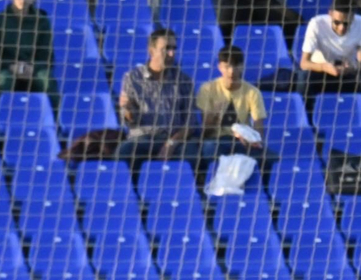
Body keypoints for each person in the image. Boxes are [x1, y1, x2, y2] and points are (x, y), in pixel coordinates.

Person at [115, 29, 194, 164]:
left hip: (174, 138)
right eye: (166, 49)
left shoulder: (183, 80)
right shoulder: (133, 78)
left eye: (174, 48)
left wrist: (171, 143)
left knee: (192, 152)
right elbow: (129, 121)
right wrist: (127, 109)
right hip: (143, 138)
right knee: (125, 151)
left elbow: (190, 124)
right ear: (151, 51)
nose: (172, 53)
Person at [188, 45, 270, 172]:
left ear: (242, 66)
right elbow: (205, 132)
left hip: (241, 140)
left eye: (236, 66)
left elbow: (258, 125)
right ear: (219, 67)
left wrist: (252, 139)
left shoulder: (253, 92)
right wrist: (214, 114)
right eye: (227, 66)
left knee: (267, 157)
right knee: (210, 149)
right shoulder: (207, 89)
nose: (232, 72)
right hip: (216, 140)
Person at [0, 0, 54, 96]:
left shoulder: (42, 21)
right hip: (7, 68)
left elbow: (47, 55)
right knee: (4, 81)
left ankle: (54, 115)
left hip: (33, 68)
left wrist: (33, 67)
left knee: (47, 82)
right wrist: (11, 66)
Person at [297, 0, 361, 96]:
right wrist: (324, 67)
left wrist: (352, 68)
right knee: (303, 78)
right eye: (337, 22)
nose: (341, 28)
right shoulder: (317, 23)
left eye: (346, 23)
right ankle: (307, 110)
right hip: (320, 69)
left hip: (347, 72)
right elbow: (304, 63)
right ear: (330, 14)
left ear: (353, 17)